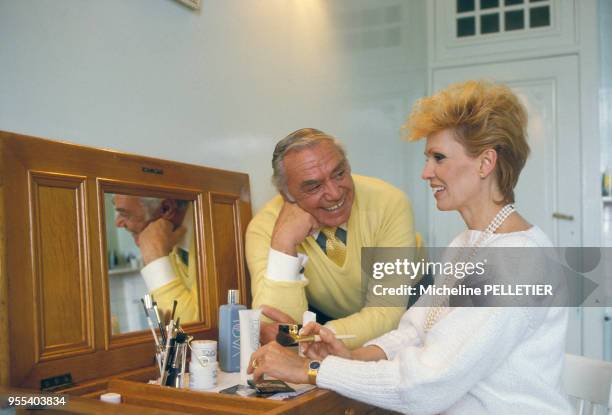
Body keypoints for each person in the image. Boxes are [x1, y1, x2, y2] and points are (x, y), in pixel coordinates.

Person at [247, 81, 573, 414]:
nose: (426, 172)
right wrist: (351, 357)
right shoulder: (468, 243)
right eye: (428, 158)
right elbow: (415, 331)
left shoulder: (516, 261)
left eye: (439, 158)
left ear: (485, 163)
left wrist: (309, 370)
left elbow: (424, 385)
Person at [245, 128, 418, 348]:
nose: (335, 193)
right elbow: (275, 324)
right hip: (325, 320)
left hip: (408, 304)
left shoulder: (389, 202)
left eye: (339, 174)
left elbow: (386, 312)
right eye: (314, 186)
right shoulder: (263, 227)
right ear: (286, 194)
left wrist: (312, 337)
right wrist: (284, 243)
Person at [113, 195, 199, 323]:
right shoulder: (168, 242)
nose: (118, 223)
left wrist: (155, 259)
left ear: (166, 209)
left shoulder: (214, 237)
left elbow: (188, 332)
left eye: (125, 214)